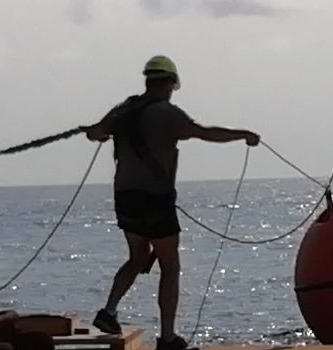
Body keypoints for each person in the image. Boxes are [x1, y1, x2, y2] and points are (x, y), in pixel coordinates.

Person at [80, 55, 260, 350]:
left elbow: (95, 133)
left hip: (125, 199)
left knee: (137, 258)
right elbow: (205, 133)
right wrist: (243, 135)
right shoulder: (168, 114)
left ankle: (108, 311)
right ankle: (166, 338)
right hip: (155, 202)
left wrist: (99, 133)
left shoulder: (123, 110)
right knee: (169, 266)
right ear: (169, 83)